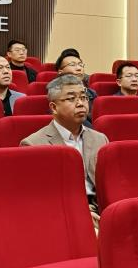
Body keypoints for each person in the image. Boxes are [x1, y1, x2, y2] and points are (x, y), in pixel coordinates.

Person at [20, 74, 109, 220]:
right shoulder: (33, 144)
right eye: (71, 98)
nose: (80, 103)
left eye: (83, 97)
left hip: (103, 210)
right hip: (63, 214)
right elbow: (39, 197)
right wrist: (81, 214)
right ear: (54, 107)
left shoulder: (100, 139)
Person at [55, 48, 96, 126]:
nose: (79, 68)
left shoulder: (91, 93)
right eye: (72, 65)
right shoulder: (56, 93)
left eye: (81, 65)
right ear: (60, 71)